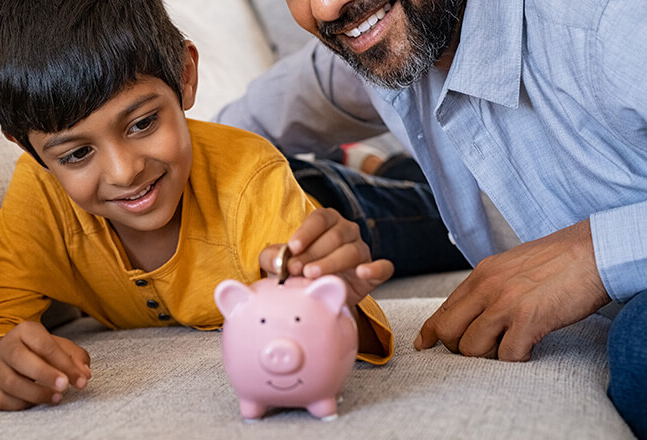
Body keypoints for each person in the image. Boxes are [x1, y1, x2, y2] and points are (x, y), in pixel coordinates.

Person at [0, 0, 402, 412]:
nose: (123, 171)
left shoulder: (250, 177)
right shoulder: (40, 198)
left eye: (142, 123)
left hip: (333, 204)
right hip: (279, 179)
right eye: (77, 154)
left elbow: (339, 319)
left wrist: (334, 292)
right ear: (30, 150)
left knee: (415, 209)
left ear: (185, 76)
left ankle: (382, 169)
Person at [214, 0, 647, 435]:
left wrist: (591, 252)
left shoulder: (614, 23)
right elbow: (218, 144)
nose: (326, 8)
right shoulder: (373, 42)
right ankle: (373, 167)